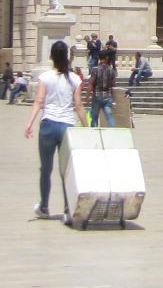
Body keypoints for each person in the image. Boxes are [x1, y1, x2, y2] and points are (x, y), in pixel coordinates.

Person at [25, 40, 83, 220]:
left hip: (48, 125)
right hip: (67, 126)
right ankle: (68, 209)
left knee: (46, 169)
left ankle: (44, 207)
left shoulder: (45, 77)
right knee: (66, 170)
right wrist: (88, 126)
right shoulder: (74, 78)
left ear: (50, 56)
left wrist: (29, 123)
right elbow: (79, 105)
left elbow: (39, 102)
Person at [89, 52, 117, 127]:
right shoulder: (111, 70)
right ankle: (113, 131)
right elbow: (114, 85)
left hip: (97, 96)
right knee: (109, 115)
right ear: (106, 58)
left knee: (94, 116)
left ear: (99, 58)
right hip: (108, 97)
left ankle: (94, 133)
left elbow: (91, 83)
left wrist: (87, 96)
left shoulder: (95, 69)